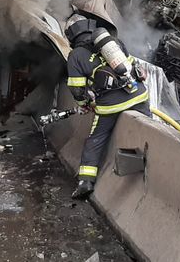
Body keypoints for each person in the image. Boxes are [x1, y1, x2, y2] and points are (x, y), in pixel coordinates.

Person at [64, 14, 150, 200]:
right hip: (139, 95)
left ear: (71, 35)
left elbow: (77, 89)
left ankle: (85, 182)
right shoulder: (113, 42)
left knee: (96, 139)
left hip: (111, 105)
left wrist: (85, 104)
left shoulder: (75, 56)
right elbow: (131, 64)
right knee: (149, 132)